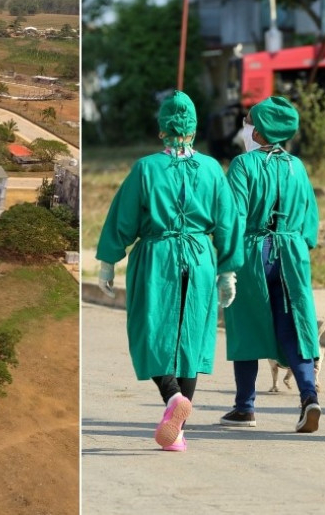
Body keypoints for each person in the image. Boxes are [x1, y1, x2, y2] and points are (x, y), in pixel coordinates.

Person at [96, 91, 243, 452]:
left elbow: (124, 218)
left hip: (157, 255)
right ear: (193, 130)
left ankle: (173, 397)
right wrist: (227, 271)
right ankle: (177, 431)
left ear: (162, 129)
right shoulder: (211, 169)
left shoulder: (146, 168)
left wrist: (107, 261)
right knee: (190, 337)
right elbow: (227, 221)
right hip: (199, 256)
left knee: (150, 329)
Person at [218, 96, 324, 433]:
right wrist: (298, 243)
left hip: (253, 251)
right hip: (291, 251)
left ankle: (244, 406)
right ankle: (309, 395)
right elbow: (310, 216)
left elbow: (232, 216)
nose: (245, 127)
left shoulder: (243, 165)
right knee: (293, 324)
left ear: (260, 132)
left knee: (247, 323)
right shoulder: (297, 166)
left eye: (249, 121)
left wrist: (227, 263)